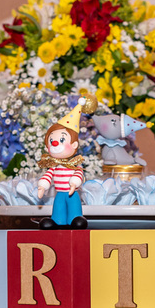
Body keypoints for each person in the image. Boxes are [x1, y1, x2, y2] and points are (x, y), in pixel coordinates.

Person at [37, 95, 96, 229]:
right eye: (51, 141)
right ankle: (57, 222)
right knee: (58, 208)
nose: (55, 143)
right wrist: (42, 187)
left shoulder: (74, 165)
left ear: (74, 145)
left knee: (74, 208)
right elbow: (48, 176)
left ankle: (75, 220)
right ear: (47, 146)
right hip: (59, 194)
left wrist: (74, 183)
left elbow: (78, 174)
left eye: (62, 140)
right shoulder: (54, 166)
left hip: (72, 193)